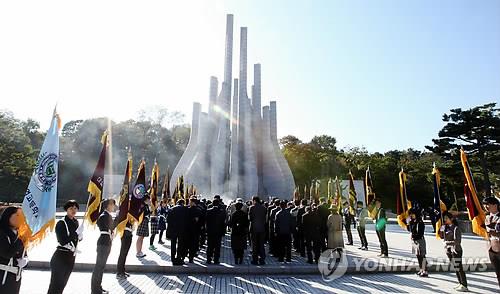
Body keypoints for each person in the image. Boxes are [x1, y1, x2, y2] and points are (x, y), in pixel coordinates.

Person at [48, 200, 83, 294]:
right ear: (66, 210)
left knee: (63, 284)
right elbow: (62, 240)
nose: (73, 210)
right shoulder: (61, 223)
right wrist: (76, 234)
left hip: (71, 256)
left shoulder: (76, 222)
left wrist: (80, 237)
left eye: (75, 208)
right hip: (61, 256)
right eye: (71, 208)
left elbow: (76, 239)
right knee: (55, 285)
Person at [91, 198, 116, 294]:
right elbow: (109, 227)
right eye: (112, 204)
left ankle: (98, 287)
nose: (113, 206)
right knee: (99, 267)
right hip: (103, 243)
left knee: (101, 267)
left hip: (106, 242)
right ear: (107, 206)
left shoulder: (107, 215)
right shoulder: (104, 216)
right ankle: (95, 289)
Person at [0, 206, 27, 294]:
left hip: (14, 276)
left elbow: (23, 252)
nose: (21, 218)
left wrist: (25, 260)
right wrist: (21, 239)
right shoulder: (2, 233)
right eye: (18, 215)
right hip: (2, 275)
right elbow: (6, 253)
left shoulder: (18, 233)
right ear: (8, 216)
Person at [440, 212, 468, 292]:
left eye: (446, 218)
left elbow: (457, 241)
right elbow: (442, 237)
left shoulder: (456, 228)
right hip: (449, 250)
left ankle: (464, 284)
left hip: (456, 250)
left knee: (459, 268)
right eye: (444, 218)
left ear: (451, 219)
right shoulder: (446, 227)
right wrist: (441, 230)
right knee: (455, 268)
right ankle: (460, 283)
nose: (445, 220)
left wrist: (447, 243)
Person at [483, 196, 500, 288]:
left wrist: (493, 232)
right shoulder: (487, 217)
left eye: (488, 204)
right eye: (485, 205)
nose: (486, 206)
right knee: (498, 272)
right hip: (491, 248)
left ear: (495, 205)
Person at [407, 207, 428, 277]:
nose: (411, 216)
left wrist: (414, 237)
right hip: (414, 241)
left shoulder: (420, 222)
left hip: (420, 240)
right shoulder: (413, 222)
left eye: (412, 214)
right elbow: (410, 230)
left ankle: (425, 270)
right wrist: (408, 223)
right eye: (410, 214)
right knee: (418, 255)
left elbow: (420, 233)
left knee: (422, 255)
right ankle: (421, 269)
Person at [167, 199, 188, 265]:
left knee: (173, 244)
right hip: (182, 229)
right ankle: (179, 258)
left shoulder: (171, 209)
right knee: (180, 244)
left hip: (173, 229)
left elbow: (168, 221)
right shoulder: (185, 209)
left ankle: (173, 258)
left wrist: (168, 231)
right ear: (182, 203)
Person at [206, 199, 226, 264]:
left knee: (210, 246)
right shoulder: (221, 212)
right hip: (218, 232)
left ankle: (209, 259)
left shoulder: (208, 211)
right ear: (218, 204)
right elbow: (223, 223)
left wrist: (206, 230)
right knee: (217, 247)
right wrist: (223, 232)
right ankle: (216, 260)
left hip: (210, 232)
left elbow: (206, 222)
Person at [249, 196, 266, 265]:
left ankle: (255, 260)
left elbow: (250, 218)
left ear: (254, 200)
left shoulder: (251, 208)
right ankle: (262, 259)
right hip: (262, 228)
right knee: (261, 245)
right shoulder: (264, 208)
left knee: (254, 245)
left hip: (254, 229)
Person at [186, 197, 203, 263]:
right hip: (196, 230)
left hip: (189, 230)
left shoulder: (188, 210)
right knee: (194, 244)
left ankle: (189, 256)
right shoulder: (199, 210)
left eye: (190, 201)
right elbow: (201, 221)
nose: (189, 203)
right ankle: (191, 257)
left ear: (193, 202)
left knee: (189, 243)